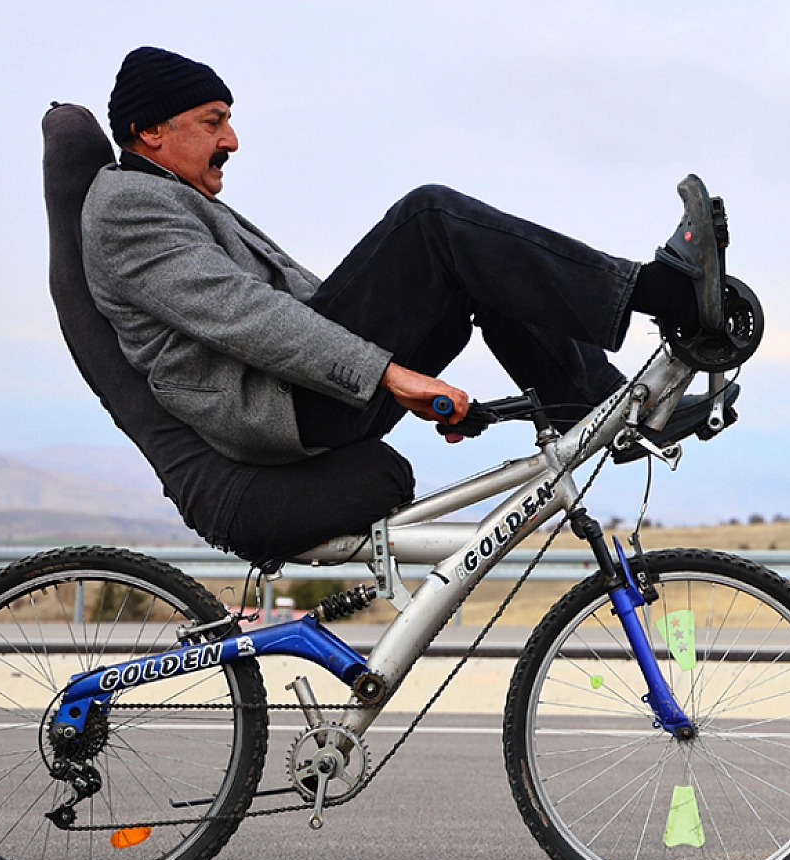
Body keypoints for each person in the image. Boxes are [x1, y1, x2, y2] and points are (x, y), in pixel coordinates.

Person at [80, 47, 728, 558]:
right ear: (150, 130)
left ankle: (608, 408)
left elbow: (292, 304)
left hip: (305, 392)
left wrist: (418, 386)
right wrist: (389, 373)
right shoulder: (129, 206)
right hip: (282, 407)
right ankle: (660, 292)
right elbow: (246, 315)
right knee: (432, 218)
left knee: (485, 264)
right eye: (213, 122)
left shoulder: (173, 196)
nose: (234, 140)